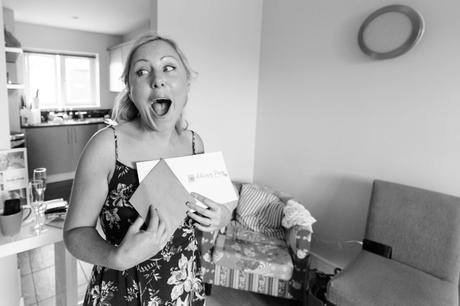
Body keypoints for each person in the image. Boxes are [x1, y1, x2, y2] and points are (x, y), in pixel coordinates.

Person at [64, 33, 235, 306]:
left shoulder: (194, 143)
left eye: (169, 67)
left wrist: (221, 217)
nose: (157, 78)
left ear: (186, 82)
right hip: (121, 293)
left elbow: (204, 216)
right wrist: (115, 257)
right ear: (130, 89)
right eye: (142, 71)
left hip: (183, 289)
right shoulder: (107, 146)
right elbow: (74, 234)